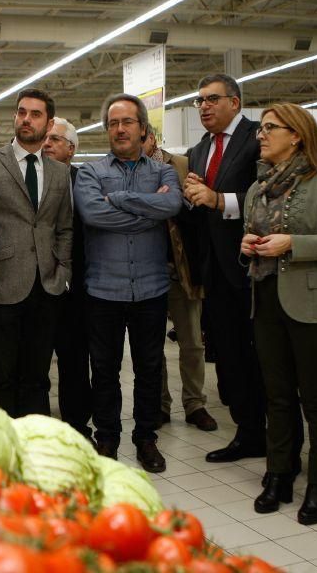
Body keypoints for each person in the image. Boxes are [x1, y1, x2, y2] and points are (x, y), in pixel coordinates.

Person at [241, 103, 317, 525]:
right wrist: (247, 247)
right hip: (266, 299)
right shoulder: (257, 187)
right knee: (277, 395)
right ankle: (279, 474)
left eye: (271, 128)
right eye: (261, 128)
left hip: (314, 303)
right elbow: (249, 237)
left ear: (296, 135)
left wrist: (294, 243)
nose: (261, 135)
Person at [74, 94, 182, 473]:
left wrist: (118, 198)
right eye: (113, 123)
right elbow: (92, 213)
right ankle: (107, 437)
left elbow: (171, 207)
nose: (119, 129)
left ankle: (146, 438)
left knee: (149, 367)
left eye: (127, 122)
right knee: (103, 369)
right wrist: (147, 209)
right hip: (103, 288)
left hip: (151, 289)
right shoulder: (89, 172)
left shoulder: (164, 172)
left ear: (142, 129)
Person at [0, 88, 72, 417]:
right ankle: (5, 446)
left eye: (35, 114)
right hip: (1, 285)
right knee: (1, 377)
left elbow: (63, 226)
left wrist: (63, 271)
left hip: (46, 286)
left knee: (38, 376)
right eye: (21, 112)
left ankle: (36, 447)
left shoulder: (58, 172)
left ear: (49, 122)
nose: (26, 119)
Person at [182, 74, 266, 463]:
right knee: (229, 359)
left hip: (254, 266)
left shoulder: (258, 138)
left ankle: (275, 434)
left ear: (235, 102)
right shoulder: (200, 149)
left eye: (212, 99)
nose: (204, 107)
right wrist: (191, 194)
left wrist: (219, 199)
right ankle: (248, 433)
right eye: (199, 102)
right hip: (214, 270)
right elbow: (200, 205)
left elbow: (271, 192)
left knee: (262, 358)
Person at [144, 124, 216, 433]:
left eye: (141, 137)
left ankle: (195, 404)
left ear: (151, 137)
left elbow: (200, 215)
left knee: (190, 342)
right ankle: (160, 405)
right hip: (146, 270)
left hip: (182, 267)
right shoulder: (128, 169)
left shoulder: (183, 165)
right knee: (151, 345)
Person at [42, 116, 92, 440]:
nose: (46, 144)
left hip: (78, 287)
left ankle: (77, 426)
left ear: (71, 149)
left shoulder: (84, 181)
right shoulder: (33, 179)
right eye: (45, 139)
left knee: (75, 362)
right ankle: (41, 426)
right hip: (39, 285)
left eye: (55, 140)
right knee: (37, 363)